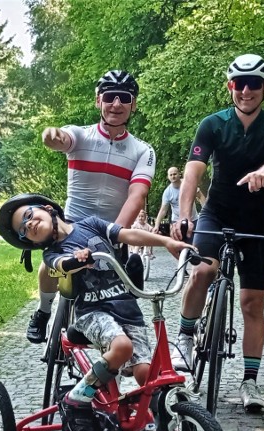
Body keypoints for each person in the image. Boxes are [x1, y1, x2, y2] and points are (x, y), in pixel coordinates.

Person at [0, 193, 193, 431]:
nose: (29, 225)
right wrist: (75, 260)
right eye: (23, 231)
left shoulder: (90, 224)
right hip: (92, 312)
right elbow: (61, 265)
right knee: (122, 347)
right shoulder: (52, 253)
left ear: (46, 209)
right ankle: (78, 396)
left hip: (127, 309)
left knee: (147, 375)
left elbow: (126, 235)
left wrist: (167, 242)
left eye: (28, 216)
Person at [171, 54, 264, 412]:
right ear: (230, 86)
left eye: (254, 83)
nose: (245, 91)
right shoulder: (213, 124)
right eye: (239, 84)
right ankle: (185, 336)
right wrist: (184, 215)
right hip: (217, 214)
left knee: (252, 303)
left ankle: (250, 382)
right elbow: (193, 171)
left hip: (255, 221)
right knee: (203, 271)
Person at [27, 70, 156, 344]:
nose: (117, 104)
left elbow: (137, 194)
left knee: (112, 300)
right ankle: (43, 311)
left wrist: (114, 235)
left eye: (125, 98)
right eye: (110, 97)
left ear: (134, 104)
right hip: (72, 223)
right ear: (99, 101)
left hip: (108, 229)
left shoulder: (142, 150)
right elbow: (62, 138)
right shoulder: (81, 135)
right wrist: (51, 136)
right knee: (50, 265)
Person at [153, 166, 205, 242]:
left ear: (179, 174)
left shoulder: (188, 184)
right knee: (179, 244)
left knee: (195, 242)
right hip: (177, 221)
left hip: (193, 219)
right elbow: (163, 210)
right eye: (170, 175)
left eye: (174, 174)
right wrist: (156, 226)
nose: (173, 176)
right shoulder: (167, 192)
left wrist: (206, 213)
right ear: (168, 177)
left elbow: (200, 197)